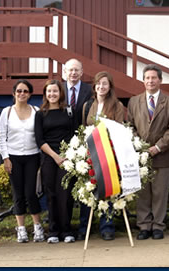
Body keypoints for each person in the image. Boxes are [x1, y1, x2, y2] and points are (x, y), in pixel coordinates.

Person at [127, 64, 169, 240]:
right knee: (143, 193)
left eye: (153, 78)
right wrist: (140, 146)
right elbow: (130, 126)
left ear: (160, 80)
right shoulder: (134, 101)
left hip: (161, 155)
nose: (150, 81)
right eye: (147, 78)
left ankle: (158, 226)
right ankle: (144, 225)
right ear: (143, 80)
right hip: (140, 157)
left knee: (160, 192)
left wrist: (158, 147)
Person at [80, 71, 126, 241]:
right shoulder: (87, 105)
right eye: (98, 83)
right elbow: (83, 128)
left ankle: (107, 226)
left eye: (105, 84)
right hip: (91, 153)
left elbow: (120, 129)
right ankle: (86, 226)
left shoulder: (117, 106)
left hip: (109, 153)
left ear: (110, 86)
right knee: (90, 188)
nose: (101, 87)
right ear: (94, 86)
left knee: (108, 189)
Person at [0, 80, 45, 243]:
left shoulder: (36, 111)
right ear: (14, 93)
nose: (22, 94)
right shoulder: (7, 112)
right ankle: (21, 228)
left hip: (32, 156)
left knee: (31, 192)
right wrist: (6, 158)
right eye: (19, 91)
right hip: (13, 157)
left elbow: (40, 136)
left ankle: (37, 226)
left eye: (25, 91)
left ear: (30, 94)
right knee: (18, 193)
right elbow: (1, 136)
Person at [34, 79, 77, 243]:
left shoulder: (69, 112)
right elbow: (39, 140)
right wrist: (55, 156)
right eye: (49, 91)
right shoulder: (40, 114)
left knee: (65, 194)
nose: (52, 94)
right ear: (45, 94)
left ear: (61, 94)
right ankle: (53, 231)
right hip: (49, 157)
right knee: (51, 194)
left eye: (55, 91)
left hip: (67, 157)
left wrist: (67, 155)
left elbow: (74, 135)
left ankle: (67, 230)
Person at [62, 58, 95, 241]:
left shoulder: (89, 90)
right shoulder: (57, 89)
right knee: (65, 189)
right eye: (70, 70)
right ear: (64, 72)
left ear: (82, 72)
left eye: (76, 70)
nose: (73, 73)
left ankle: (84, 226)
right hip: (63, 146)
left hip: (85, 144)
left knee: (85, 187)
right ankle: (65, 227)